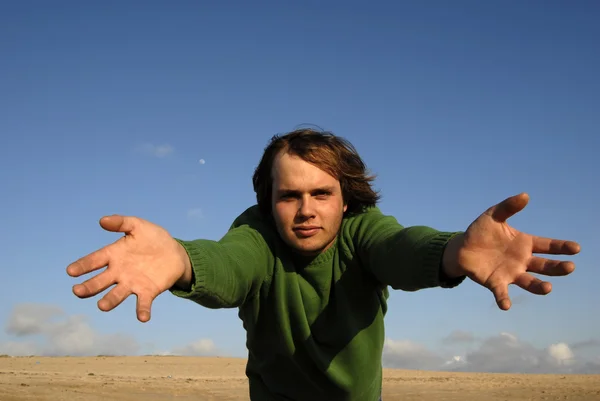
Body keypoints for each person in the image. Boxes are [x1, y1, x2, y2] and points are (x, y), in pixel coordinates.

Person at [66, 128, 580, 401]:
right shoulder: (257, 238)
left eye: (321, 193)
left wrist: (451, 253)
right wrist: (180, 258)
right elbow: (227, 265)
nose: (306, 209)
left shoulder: (363, 231)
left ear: (346, 197)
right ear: (269, 200)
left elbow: (399, 249)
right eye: (289, 195)